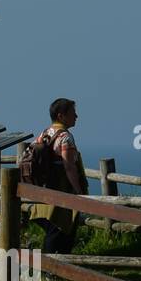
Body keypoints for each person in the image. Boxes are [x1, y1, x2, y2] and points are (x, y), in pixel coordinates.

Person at [28, 98, 87, 254]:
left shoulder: (45, 133)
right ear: (61, 116)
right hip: (61, 189)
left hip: (44, 188)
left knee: (52, 229)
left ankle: (51, 269)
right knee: (60, 228)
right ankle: (54, 268)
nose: (76, 116)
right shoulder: (66, 137)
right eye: (73, 113)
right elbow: (69, 166)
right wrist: (78, 190)